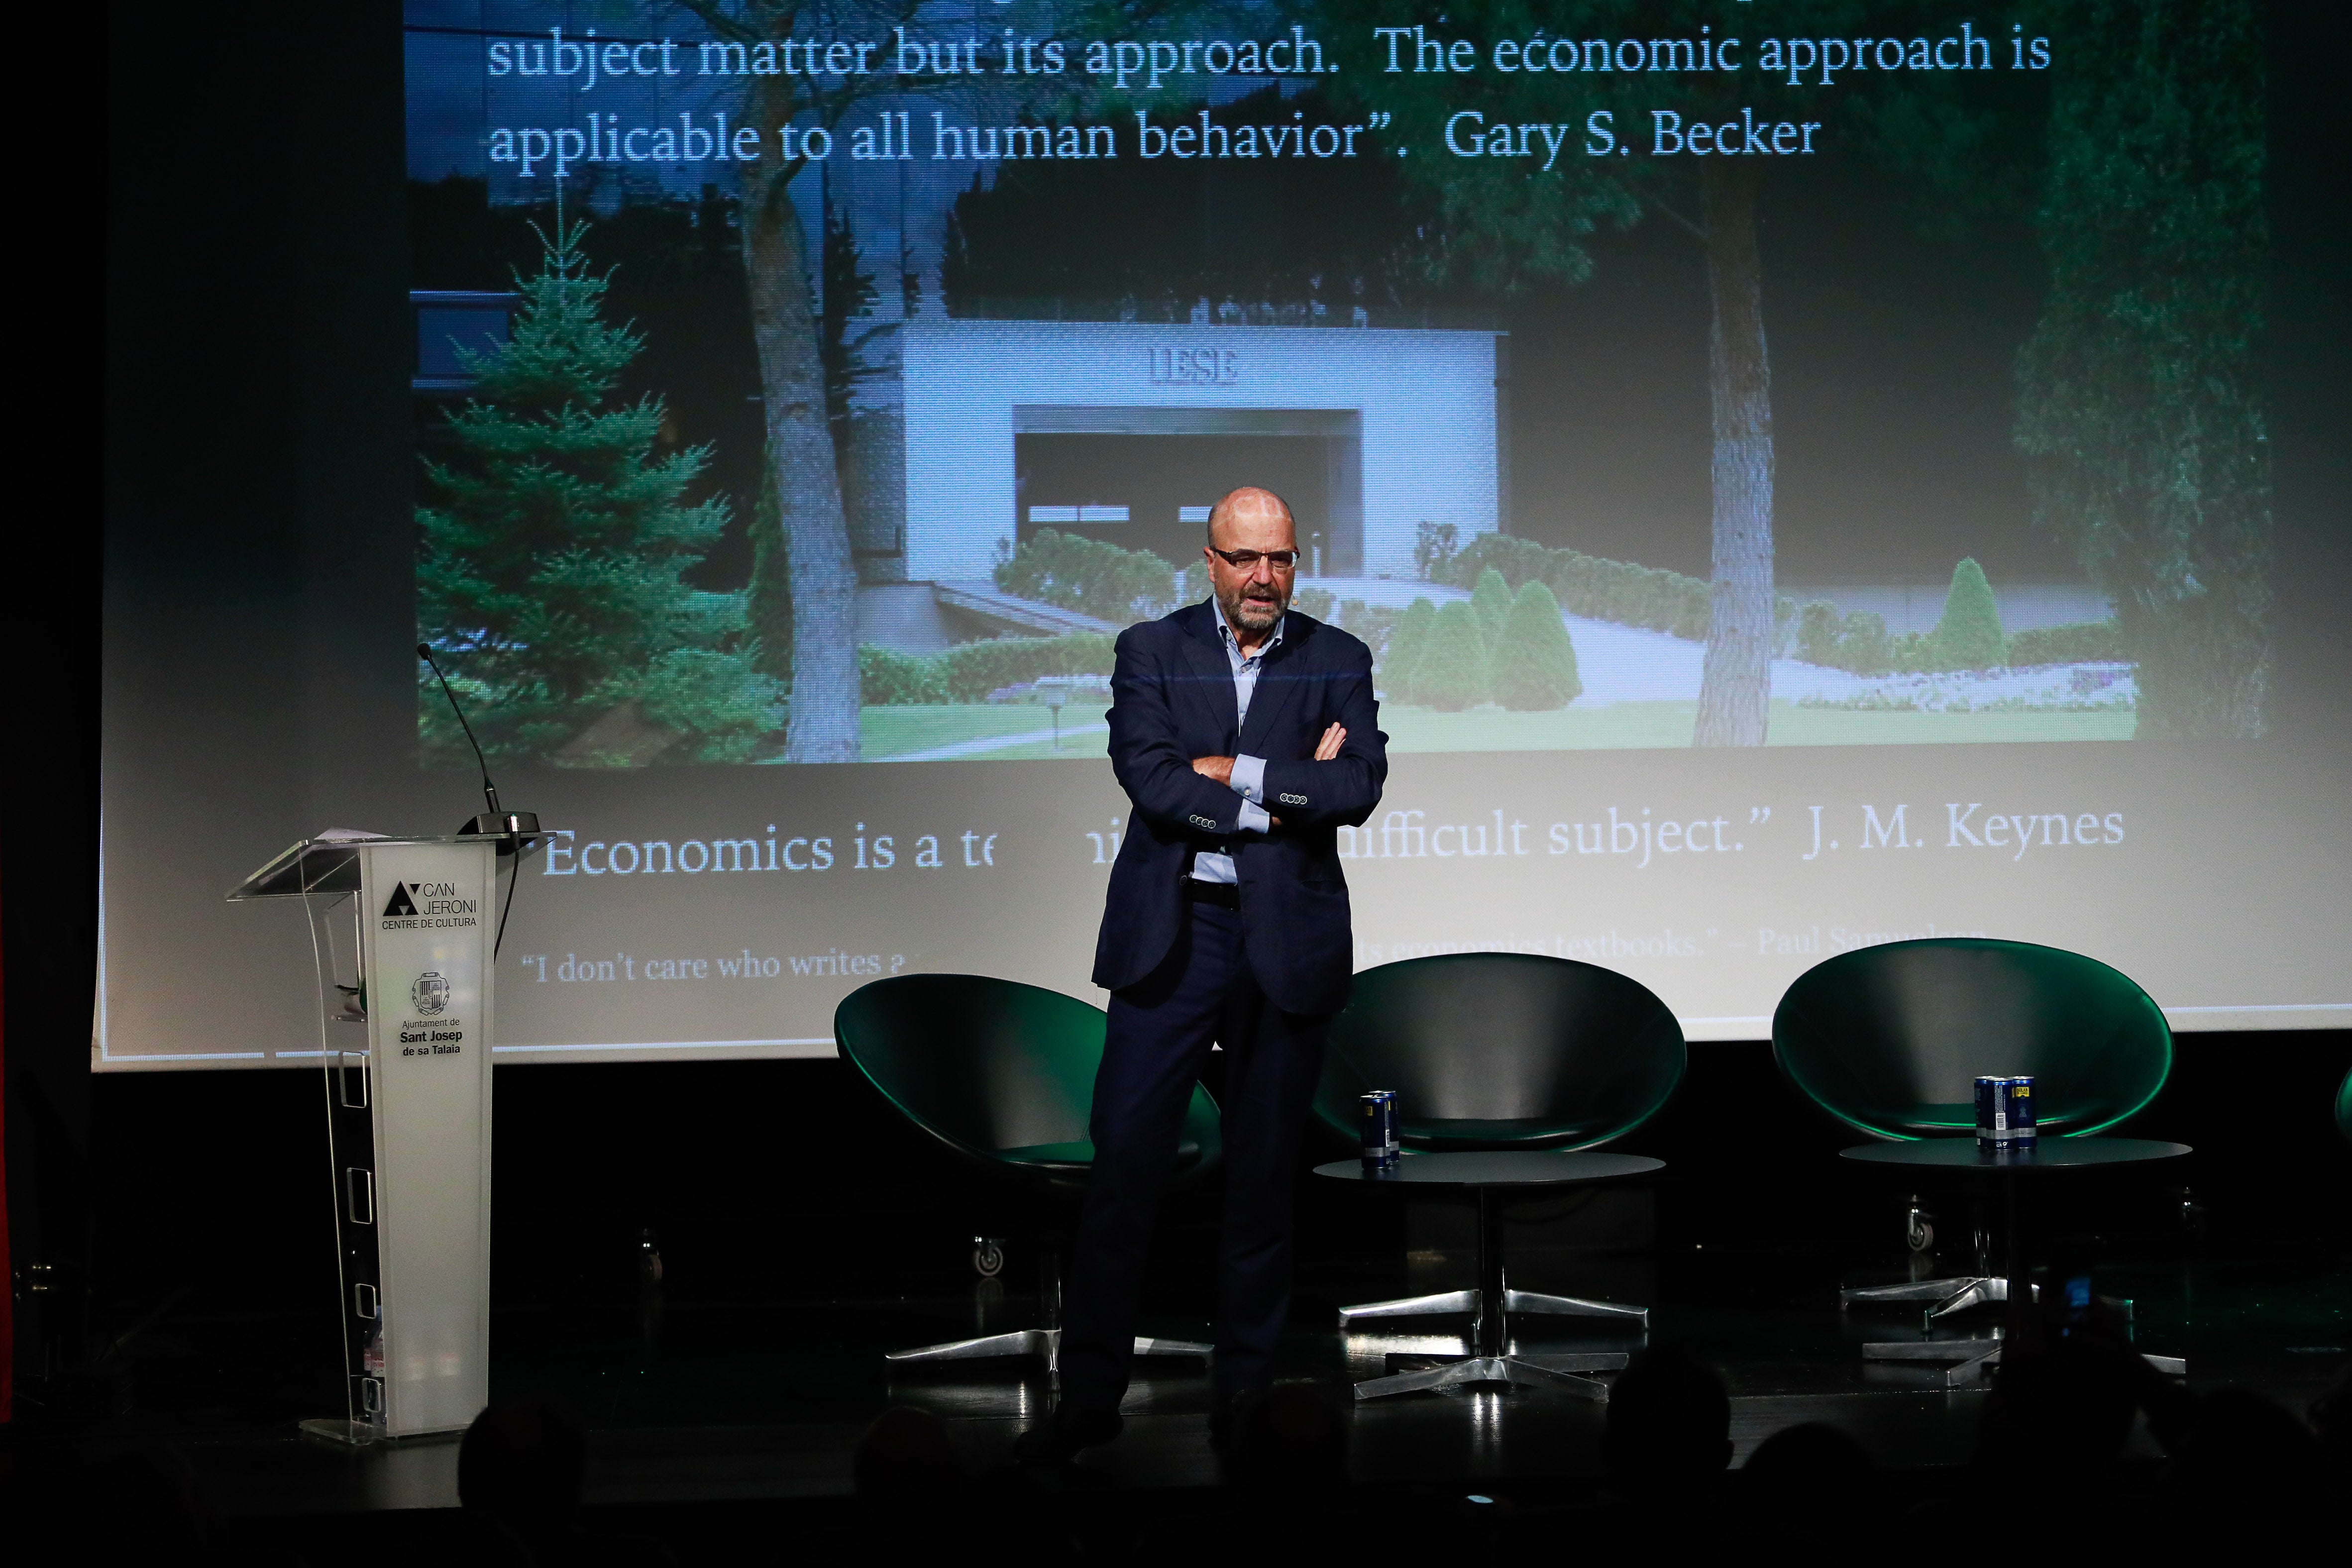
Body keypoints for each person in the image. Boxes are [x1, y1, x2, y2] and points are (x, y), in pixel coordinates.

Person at [1015, 487, 1387, 1463]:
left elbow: (1356, 788)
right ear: (1209, 561)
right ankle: (1088, 1398)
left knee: (1262, 1188)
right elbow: (1149, 775)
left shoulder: (1336, 657)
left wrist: (1235, 770)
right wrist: (1274, 797)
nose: (1264, 578)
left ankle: (1247, 1402)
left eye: (1281, 559)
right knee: (1124, 1180)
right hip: (1171, 937)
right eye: (1243, 559)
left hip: (1284, 942)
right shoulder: (1151, 649)